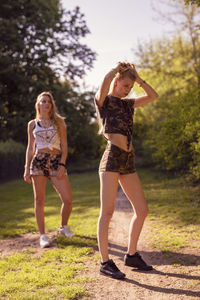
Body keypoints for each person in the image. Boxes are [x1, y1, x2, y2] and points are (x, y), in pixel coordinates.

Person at [94, 62, 158, 279]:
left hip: (128, 161)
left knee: (142, 210)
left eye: (131, 86)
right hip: (111, 159)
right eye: (126, 85)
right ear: (117, 81)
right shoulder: (105, 101)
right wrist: (114, 70)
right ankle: (105, 262)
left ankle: (131, 255)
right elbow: (103, 85)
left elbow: (153, 96)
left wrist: (139, 79)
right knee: (107, 212)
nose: (128, 89)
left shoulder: (128, 104)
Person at [24, 91, 74, 248]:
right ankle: (43, 236)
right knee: (39, 200)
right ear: (38, 104)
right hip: (38, 162)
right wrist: (27, 168)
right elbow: (30, 148)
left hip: (55, 162)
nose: (45, 104)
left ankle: (63, 227)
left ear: (51, 105)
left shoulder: (58, 122)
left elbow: (64, 146)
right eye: (42, 101)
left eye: (48, 101)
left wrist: (62, 164)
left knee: (68, 199)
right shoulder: (32, 124)